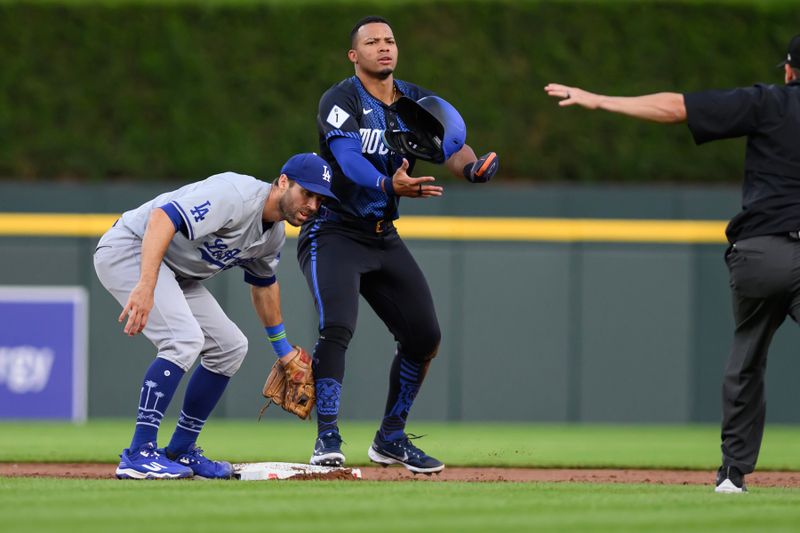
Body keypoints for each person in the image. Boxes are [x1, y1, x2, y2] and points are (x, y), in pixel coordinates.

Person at [544, 34, 800, 493]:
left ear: (789, 70)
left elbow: (675, 107)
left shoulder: (769, 102)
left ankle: (733, 474)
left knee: (747, 360)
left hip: (761, 252)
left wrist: (598, 99)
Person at [298, 15, 498, 474]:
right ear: (354, 55)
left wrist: (471, 168)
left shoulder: (413, 97)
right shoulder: (341, 98)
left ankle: (390, 437)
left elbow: (450, 143)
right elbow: (346, 159)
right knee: (338, 327)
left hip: (382, 235)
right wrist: (388, 184)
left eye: (389, 40)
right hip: (332, 230)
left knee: (424, 336)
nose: (383, 48)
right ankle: (327, 439)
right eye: (372, 42)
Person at [94, 153, 337, 479]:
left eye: (320, 199)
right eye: (306, 193)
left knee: (230, 347)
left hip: (177, 271)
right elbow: (161, 220)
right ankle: (139, 453)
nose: (312, 204)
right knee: (183, 340)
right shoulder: (234, 197)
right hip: (132, 248)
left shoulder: (274, 235)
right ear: (282, 182)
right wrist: (146, 284)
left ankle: (180, 450)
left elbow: (264, 286)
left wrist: (284, 353)